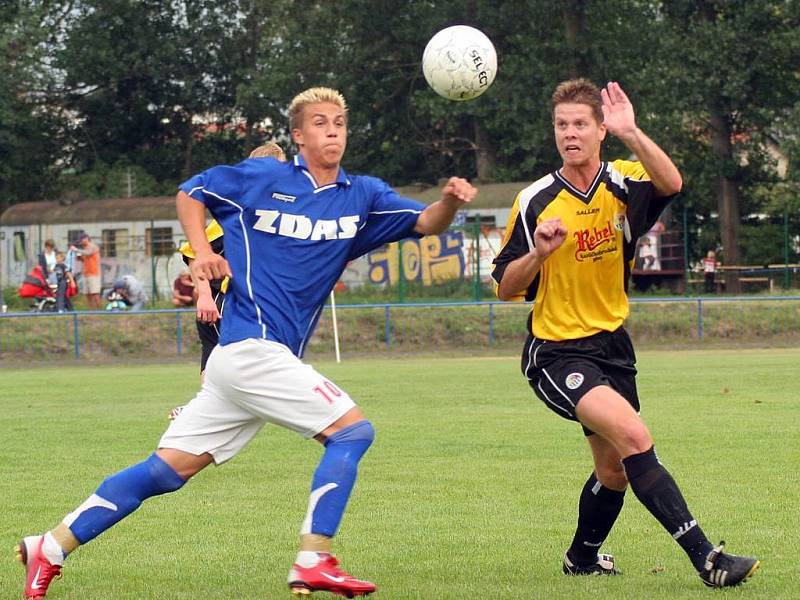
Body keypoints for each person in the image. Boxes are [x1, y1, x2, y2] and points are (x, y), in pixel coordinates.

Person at [17, 86, 476, 599]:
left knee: (165, 472)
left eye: (340, 123)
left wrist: (451, 202)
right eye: (320, 123)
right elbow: (191, 192)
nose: (332, 131)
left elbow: (423, 222)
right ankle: (314, 558)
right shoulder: (263, 177)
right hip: (251, 347)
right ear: (298, 136)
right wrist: (197, 259)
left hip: (245, 363)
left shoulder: (361, 195)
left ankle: (49, 546)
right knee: (352, 433)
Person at [491, 79, 758, 588]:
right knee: (636, 438)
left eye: (579, 125)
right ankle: (708, 560)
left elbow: (672, 182)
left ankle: (582, 559)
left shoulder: (623, 182)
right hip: (556, 351)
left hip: (613, 347)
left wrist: (633, 132)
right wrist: (539, 256)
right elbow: (504, 286)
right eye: (561, 125)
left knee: (614, 470)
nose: (569, 134)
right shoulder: (534, 201)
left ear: (600, 130)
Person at [167, 142, 288, 420]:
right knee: (243, 370)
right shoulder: (236, 215)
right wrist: (205, 297)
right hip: (224, 302)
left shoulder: (272, 213)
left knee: (229, 367)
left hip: (245, 303)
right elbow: (192, 254)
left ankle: (196, 412)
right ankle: (196, 413)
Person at [72, 233, 102, 309]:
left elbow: (89, 253)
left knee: (95, 293)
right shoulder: (84, 249)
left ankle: (99, 310)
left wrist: (76, 250)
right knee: (88, 294)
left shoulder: (93, 246)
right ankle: (91, 310)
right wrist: (79, 258)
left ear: (86, 239)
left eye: (81, 240)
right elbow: (85, 259)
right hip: (86, 274)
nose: (81, 243)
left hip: (94, 273)